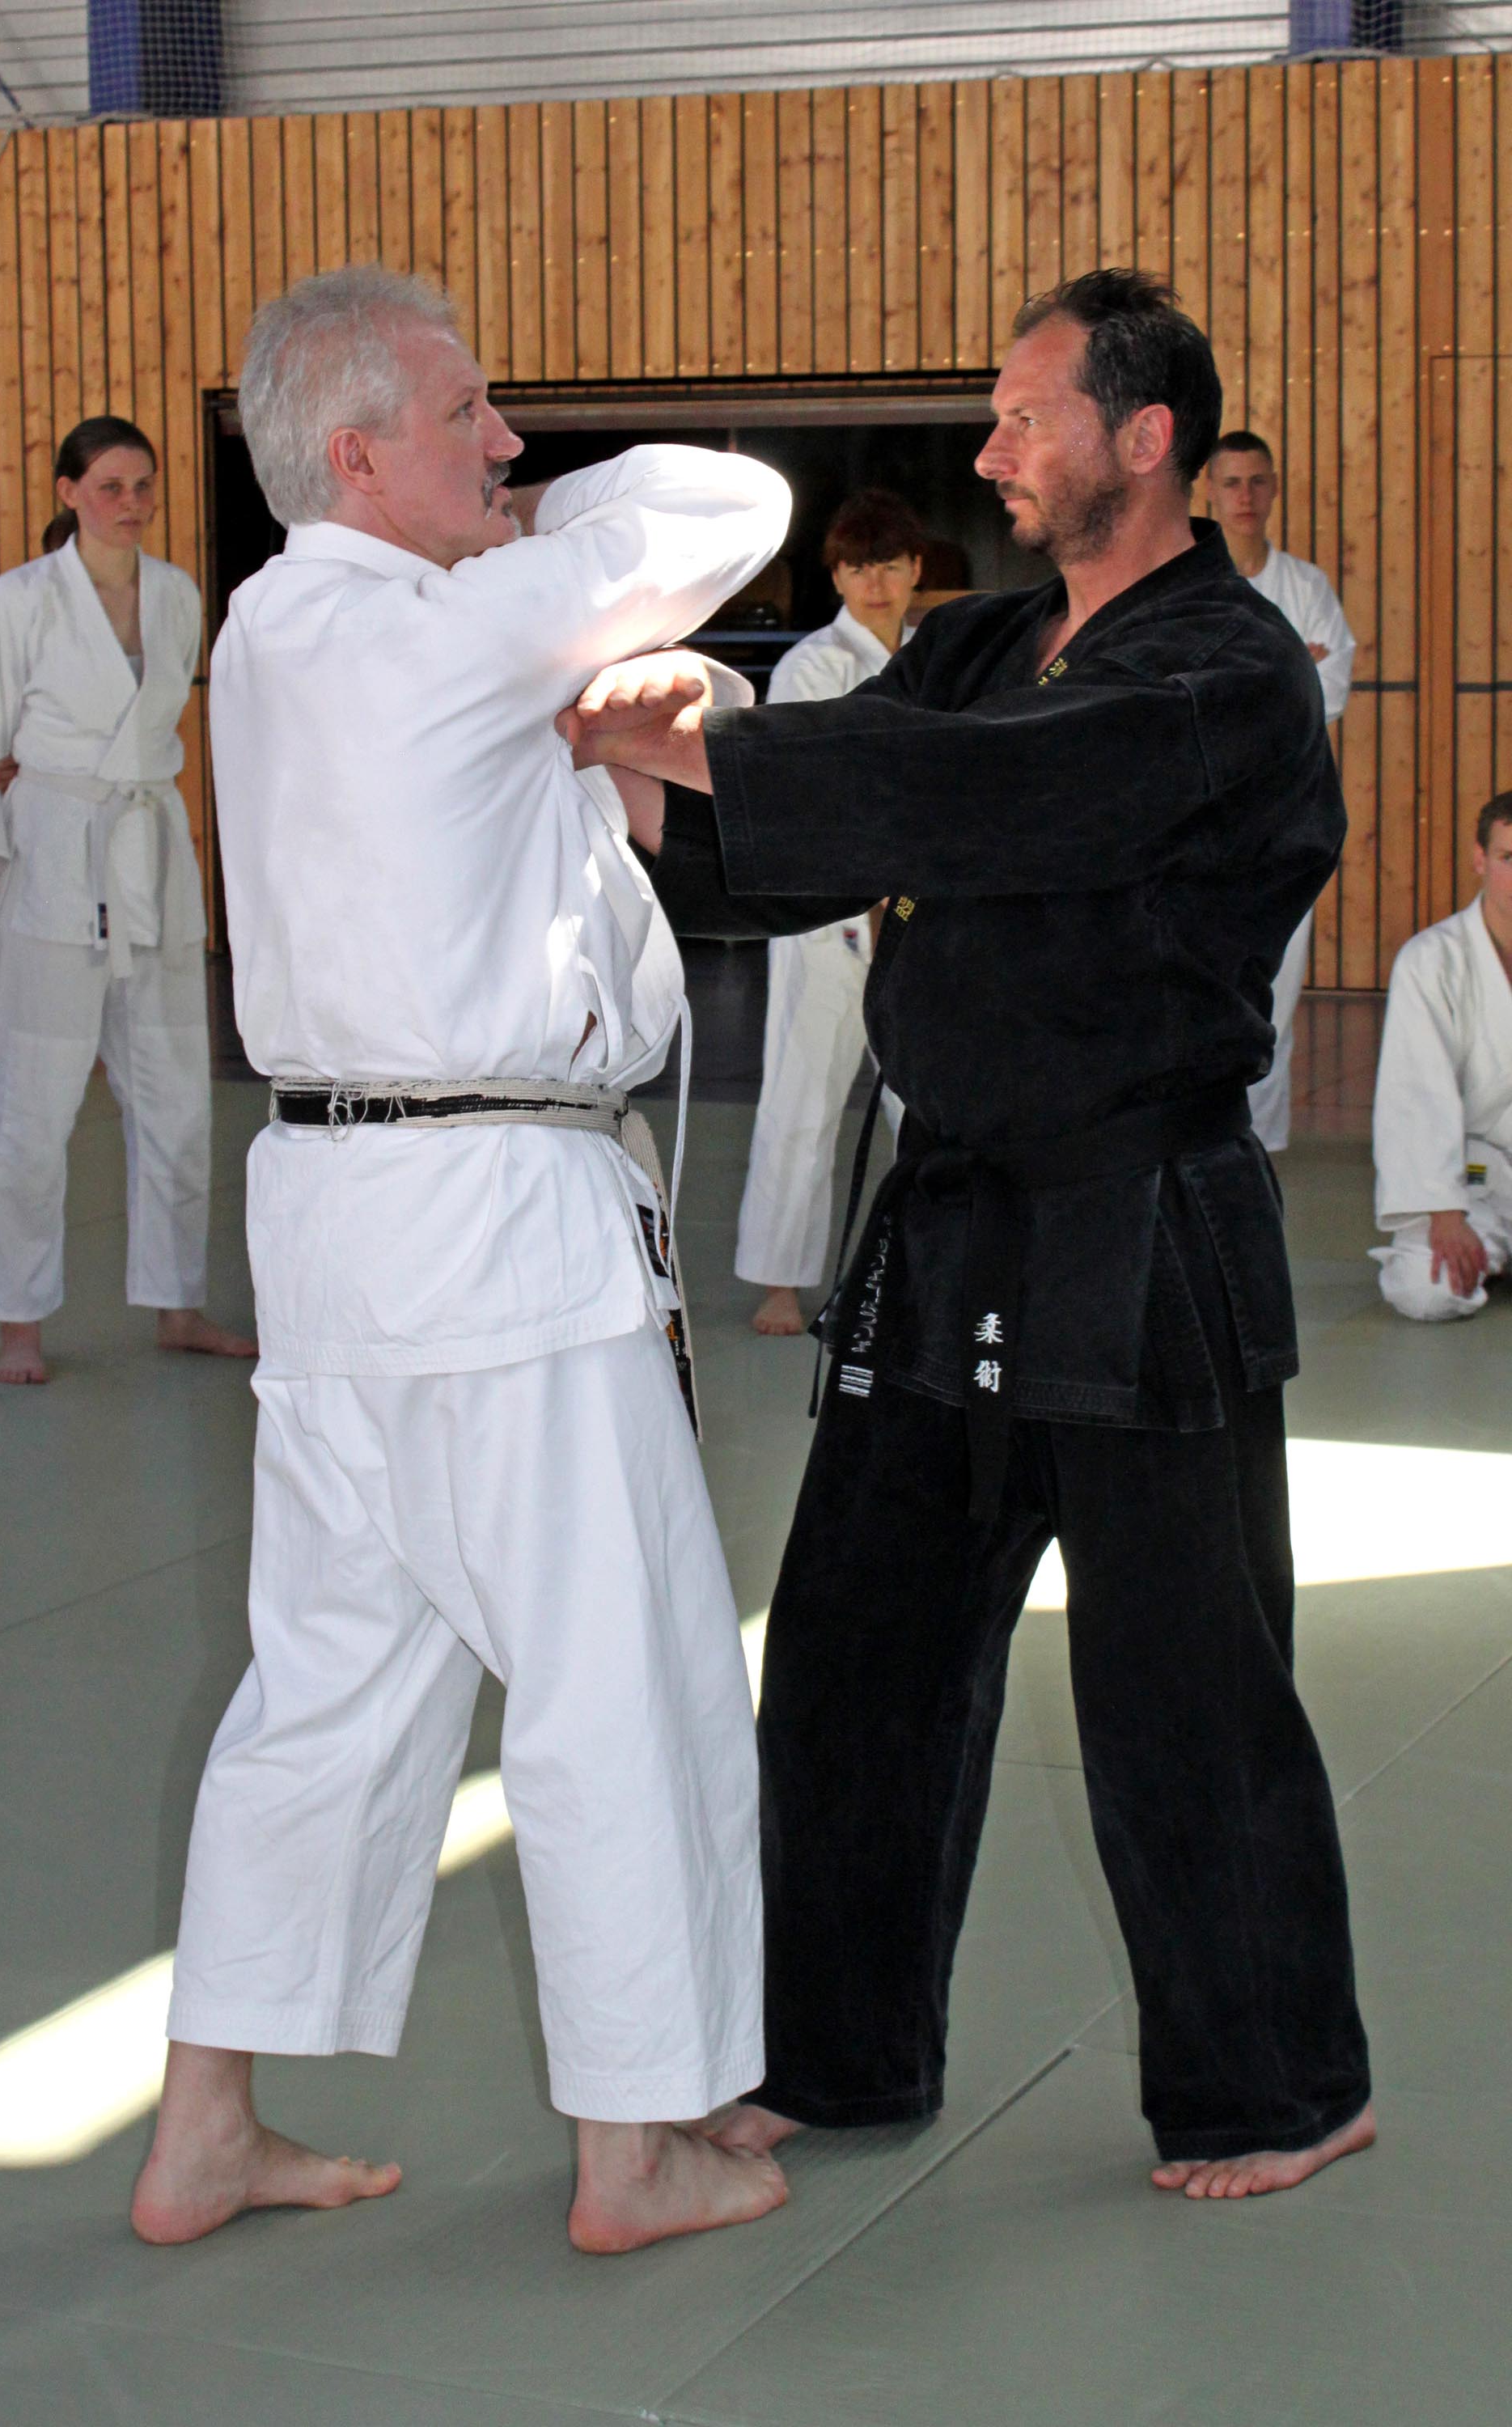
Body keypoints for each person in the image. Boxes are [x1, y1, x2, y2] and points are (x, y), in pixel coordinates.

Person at [567, 269, 1374, 2201]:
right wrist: (627, 768)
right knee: (856, 1657)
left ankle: (1279, 2085)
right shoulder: (980, 640)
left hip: (1138, 1220)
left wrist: (707, 745)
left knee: (1182, 1686)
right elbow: (833, 838)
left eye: (1025, 415)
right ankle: (836, 2053)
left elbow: (1000, 798)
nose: (991, 449)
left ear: (1142, 437)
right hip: (947, 1221)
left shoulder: (1226, 670)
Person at [130, 267, 794, 2258]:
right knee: (623, 1676)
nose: (506, 445)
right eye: (467, 416)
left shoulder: (271, 634)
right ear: (352, 458)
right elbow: (732, 502)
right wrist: (538, 541)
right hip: (496, 1237)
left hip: (341, 1234)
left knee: (329, 1686)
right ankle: (632, 2148)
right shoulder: (435, 630)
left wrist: (507, 552)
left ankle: (202, 2128)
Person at [0, 417, 255, 1385]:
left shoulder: (177, 595)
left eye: (144, 485)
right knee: (32, 1107)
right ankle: (18, 1324)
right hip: (53, 856)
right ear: (70, 491)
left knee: (176, 1101)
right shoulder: (18, 600)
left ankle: (178, 1305)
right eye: (112, 486)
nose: (132, 503)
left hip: (150, 854)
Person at [735, 489, 921, 1336]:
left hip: (918, 907)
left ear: (915, 570)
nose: (874, 583)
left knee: (923, 1103)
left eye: (889, 565)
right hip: (827, 915)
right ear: (836, 576)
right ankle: (779, 1282)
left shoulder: (936, 657)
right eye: (857, 567)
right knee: (803, 1094)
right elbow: (810, 789)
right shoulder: (812, 665)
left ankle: (926, 1273)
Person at [1208, 429, 1357, 1151]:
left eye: (1257, 481)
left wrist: (1245, 690)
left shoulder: (1307, 587)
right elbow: (1186, 701)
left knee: (1277, 989)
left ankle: (1258, 1146)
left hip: (1287, 821)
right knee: (1202, 983)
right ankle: (1200, 1136)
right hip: (1203, 820)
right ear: (1209, 492)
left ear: (1273, 489)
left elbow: (1330, 691)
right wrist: (1291, 663)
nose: (1246, 496)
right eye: (1232, 482)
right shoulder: (1190, 585)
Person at [1370, 792, 1512, 1319]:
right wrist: (1445, 1210)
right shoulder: (1431, 961)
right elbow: (1416, 1091)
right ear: (1480, 859)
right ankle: (1481, 1246)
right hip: (1472, 1179)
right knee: (1425, 1288)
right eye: (1509, 858)